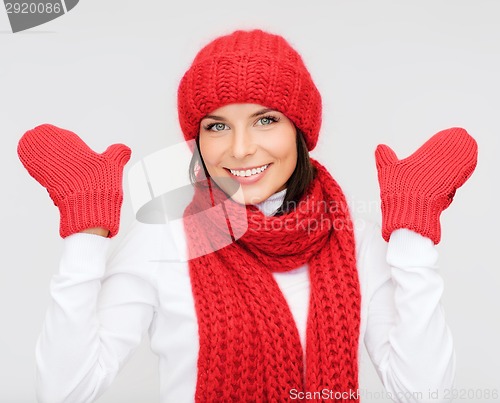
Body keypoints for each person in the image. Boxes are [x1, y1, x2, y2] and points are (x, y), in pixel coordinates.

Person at [17, 29, 478, 403]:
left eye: (265, 120)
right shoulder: (166, 238)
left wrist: (413, 235)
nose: (240, 148)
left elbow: (422, 393)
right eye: (217, 126)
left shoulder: (349, 237)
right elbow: (64, 391)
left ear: (300, 129)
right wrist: (86, 232)